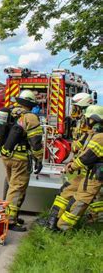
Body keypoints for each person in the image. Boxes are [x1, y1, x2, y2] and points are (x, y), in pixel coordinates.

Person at [37, 92, 94, 229]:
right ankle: (52, 221)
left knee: (86, 200)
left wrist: (74, 158)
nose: (74, 110)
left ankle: (66, 226)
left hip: (91, 171)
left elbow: (87, 147)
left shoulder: (92, 125)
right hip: (83, 169)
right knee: (65, 191)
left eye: (77, 107)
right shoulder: (84, 121)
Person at [0, 90, 43, 231]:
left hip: (6, 155)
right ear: (30, 104)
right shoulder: (30, 117)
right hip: (20, 158)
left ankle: (12, 215)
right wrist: (39, 159)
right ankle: (10, 221)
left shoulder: (10, 112)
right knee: (17, 187)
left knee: (11, 184)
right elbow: (36, 142)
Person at [56, 105, 103, 231]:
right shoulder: (94, 134)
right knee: (72, 193)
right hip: (90, 173)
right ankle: (55, 221)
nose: (86, 121)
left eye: (88, 118)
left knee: (81, 201)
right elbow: (83, 152)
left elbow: (87, 158)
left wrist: (72, 166)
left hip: (95, 175)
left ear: (94, 119)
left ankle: (63, 228)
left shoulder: (100, 137)